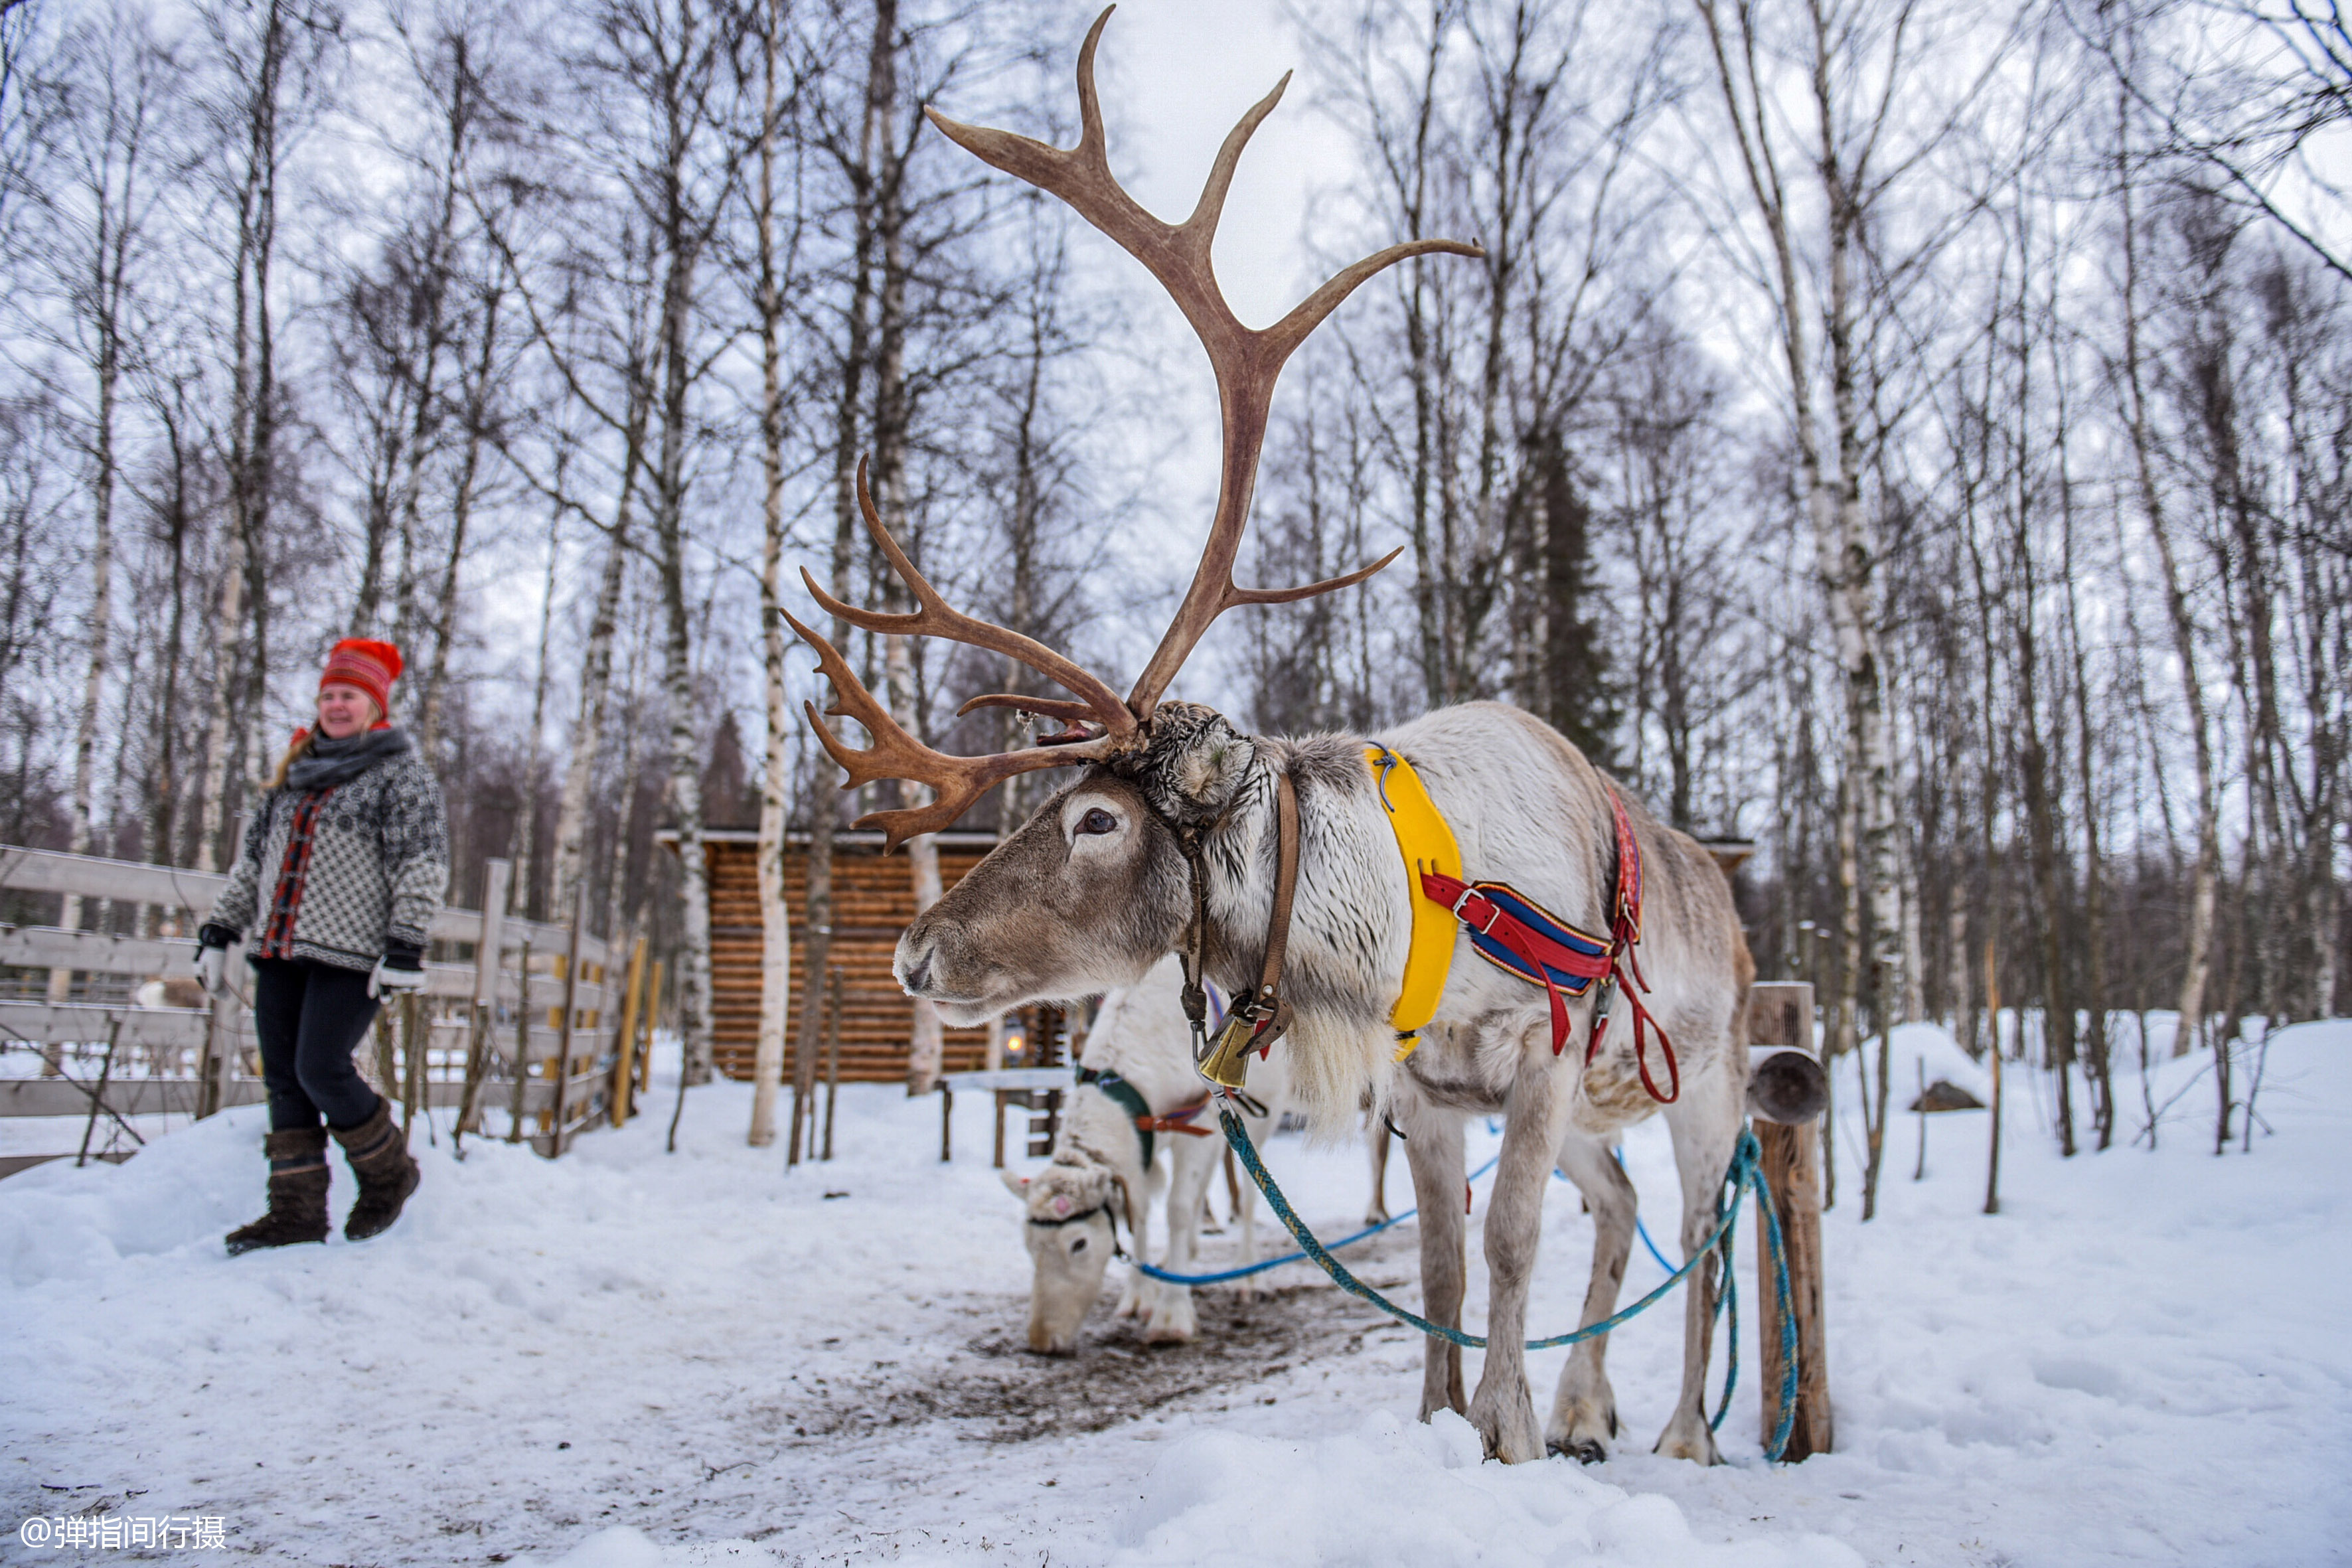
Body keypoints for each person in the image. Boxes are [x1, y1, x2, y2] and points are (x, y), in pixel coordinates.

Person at [196, 639, 449, 1255]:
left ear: (374, 705)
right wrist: (220, 930)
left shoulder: (399, 775)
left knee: (321, 1068)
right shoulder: (291, 776)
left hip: (351, 956)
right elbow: (253, 865)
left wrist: (406, 945)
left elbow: (422, 864)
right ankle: (296, 1214)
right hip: (279, 951)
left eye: (350, 695)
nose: (337, 705)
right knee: (283, 1079)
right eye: (329, 695)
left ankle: (390, 1175)